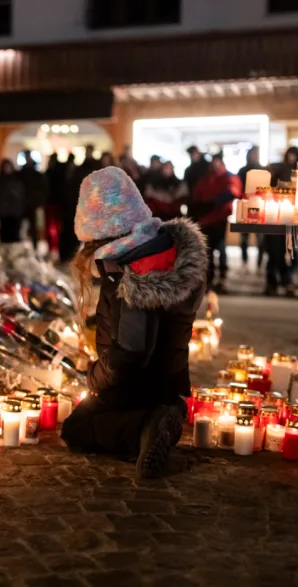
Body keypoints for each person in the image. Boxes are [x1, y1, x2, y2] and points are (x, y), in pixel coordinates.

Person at [61, 167, 207, 478]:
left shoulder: (133, 275)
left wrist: (94, 377)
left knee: (76, 427)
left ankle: (144, 427)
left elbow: (130, 354)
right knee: (90, 416)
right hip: (166, 381)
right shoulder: (166, 252)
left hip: (134, 388)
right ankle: (166, 411)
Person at [191, 153, 242, 293]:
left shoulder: (228, 177)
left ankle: (221, 278)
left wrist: (214, 203)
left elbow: (233, 192)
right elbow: (198, 193)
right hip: (206, 219)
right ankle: (210, 278)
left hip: (219, 218)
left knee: (220, 247)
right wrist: (199, 206)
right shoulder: (207, 178)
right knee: (208, 250)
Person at [265, 146, 298, 296]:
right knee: (275, 253)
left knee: (290, 252)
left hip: (291, 217)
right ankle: (276, 283)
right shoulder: (279, 169)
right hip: (274, 216)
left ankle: (284, 281)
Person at [236, 146, 266, 269]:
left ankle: (259, 260)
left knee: (260, 237)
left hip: (260, 206)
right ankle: (244, 259)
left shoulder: (263, 170)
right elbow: (238, 188)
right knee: (244, 236)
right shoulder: (242, 171)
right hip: (245, 206)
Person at [17, 151, 49, 246]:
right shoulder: (21, 173)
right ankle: (21, 246)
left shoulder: (36, 174)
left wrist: (39, 200)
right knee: (21, 226)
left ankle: (34, 245)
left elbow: (42, 188)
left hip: (32, 203)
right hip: (22, 203)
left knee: (33, 226)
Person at [0, 159, 25, 244]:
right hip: (3, 211)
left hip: (15, 211)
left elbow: (21, 195)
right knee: (5, 234)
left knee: (14, 234)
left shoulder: (17, 180)